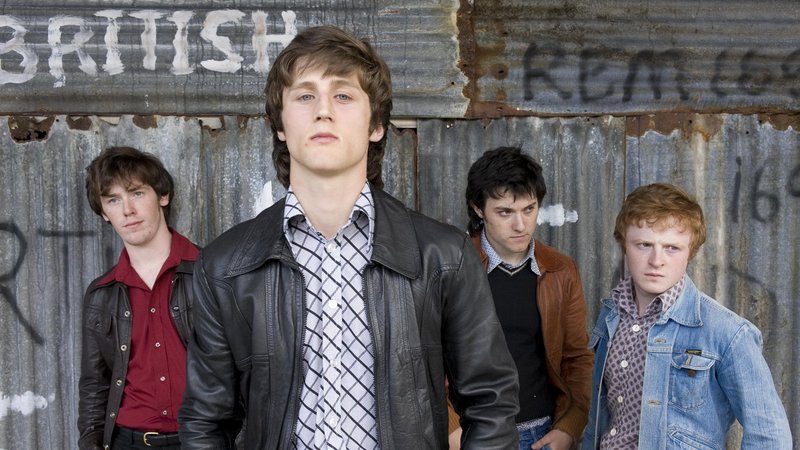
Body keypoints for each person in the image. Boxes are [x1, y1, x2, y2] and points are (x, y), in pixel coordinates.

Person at [178, 25, 519, 449]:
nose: (323, 111)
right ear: (280, 124)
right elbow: (205, 422)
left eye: (343, 95)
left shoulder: (443, 255)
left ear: (376, 125)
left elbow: (491, 402)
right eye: (305, 96)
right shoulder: (225, 267)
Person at [581, 183, 792, 449]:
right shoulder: (612, 315)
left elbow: (770, 436)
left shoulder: (727, 333)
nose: (656, 260)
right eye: (644, 244)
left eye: (672, 248)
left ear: (690, 252)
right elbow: (601, 418)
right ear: (625, 244)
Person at [449, 147, 593, 450]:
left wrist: (569, 427)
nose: (521, 225)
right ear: (478, 209)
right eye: (505, 212)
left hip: (542, 434)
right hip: (473, 434)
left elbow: (577, 358)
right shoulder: (453, 267)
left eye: (529, 209)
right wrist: (451, 429)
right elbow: (426, 359)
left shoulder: (560, 270)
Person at [78, 147, 200, 450]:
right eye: (113, 200)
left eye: (136, 193)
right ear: (104, 213)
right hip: (127, 441)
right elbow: (95, 384)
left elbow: (246, 370)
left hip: (202, 440)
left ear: (163, 196)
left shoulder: (211, 273)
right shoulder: (101, 294)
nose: (127, 210)